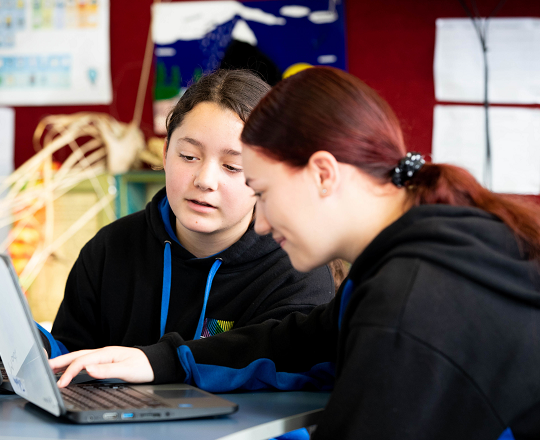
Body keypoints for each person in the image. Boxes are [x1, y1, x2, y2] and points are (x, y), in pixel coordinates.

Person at [51, 67, 540, 440]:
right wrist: (160, 363)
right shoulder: (416, 255)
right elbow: (302, 340)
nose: (262, 223)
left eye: (261, 192)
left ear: (322, 174)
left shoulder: (414, 297)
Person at [37, 69, 336, 360]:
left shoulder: (295, 269)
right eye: (189, 157)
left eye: (232, 167)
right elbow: (68, 356)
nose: (204, 180)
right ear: (165, 153)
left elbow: (294, 378)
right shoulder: (110, 248)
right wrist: (29, 343)